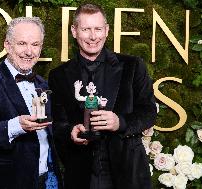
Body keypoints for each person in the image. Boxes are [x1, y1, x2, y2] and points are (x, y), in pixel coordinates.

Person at [48, 3, 157, 189]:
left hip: (128, 173)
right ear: (74, 31)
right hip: (81, 175)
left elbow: (148, 112)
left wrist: (120, 122)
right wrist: (70, 132)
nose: (93, 36)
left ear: (106, 30)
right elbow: (56, 123)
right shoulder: (58, 75)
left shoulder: (133, 66)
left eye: (98, 29)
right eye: (86, 29)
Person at [0, 17, 61, 189]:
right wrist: (16, 126)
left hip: (47, 180)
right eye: (22, 43)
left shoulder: (42, 84)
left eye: (35, 44)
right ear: (7, 45)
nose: (29, 51)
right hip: (8, 182)